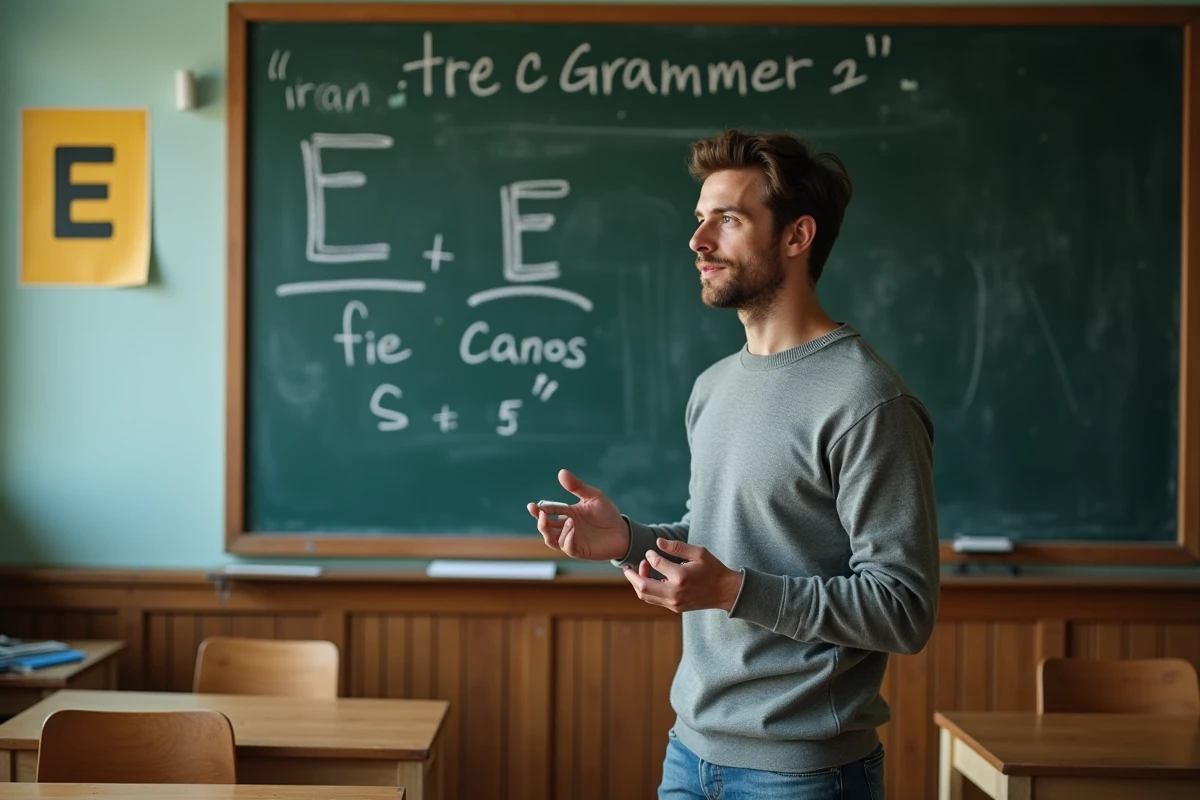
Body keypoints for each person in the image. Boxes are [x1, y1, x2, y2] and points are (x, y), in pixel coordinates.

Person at [527, 128, 939, 799]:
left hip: (806, 773)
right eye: (698, 220)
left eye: (727, 220)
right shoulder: (714, 386)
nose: (697, 242)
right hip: (690, 754)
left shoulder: (867, 401)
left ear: (796, 237)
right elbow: (731, 540)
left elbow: (903, 609)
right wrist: (629, 540)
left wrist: (732, 592)